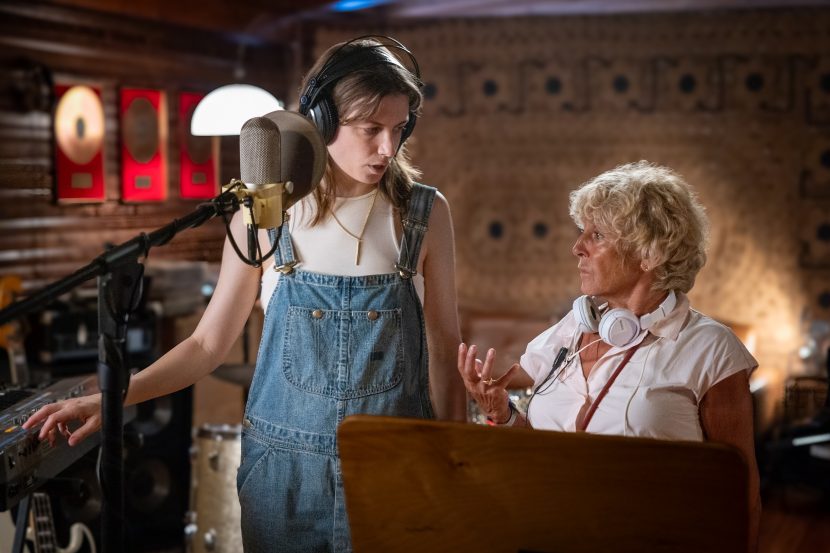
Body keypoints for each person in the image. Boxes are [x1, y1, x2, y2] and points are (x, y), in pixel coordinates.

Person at [24, 36, 466, 553]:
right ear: (322, 122)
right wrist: (116, 398)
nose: (387, 148)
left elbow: (443, 344)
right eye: (370, 130)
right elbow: (207, 345)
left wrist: (455, 461)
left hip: (398, 469)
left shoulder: (425, 215)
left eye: (398, 129)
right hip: (282, 480)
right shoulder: (261, 216)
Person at [458, 161, 761, 552]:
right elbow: (543, 451)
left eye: (596, 235)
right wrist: (503, 414)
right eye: (581, 232)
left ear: (649, 253)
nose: (577, 247)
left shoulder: (712, 350)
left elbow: (741, 490)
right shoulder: (572, 327)